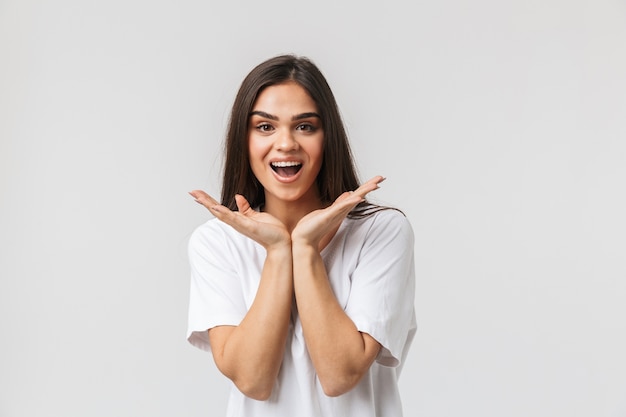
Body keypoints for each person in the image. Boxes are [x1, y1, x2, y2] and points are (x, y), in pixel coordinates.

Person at [186, 54, 416, 417]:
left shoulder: (380, 231)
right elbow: (252, 380)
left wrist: (305, 248)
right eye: (265, 127)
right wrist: (279, 251)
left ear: (328, 137)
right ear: (243, 140)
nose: (286, 143)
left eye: (305, 126)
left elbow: (341, 374)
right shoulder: (216, 242)